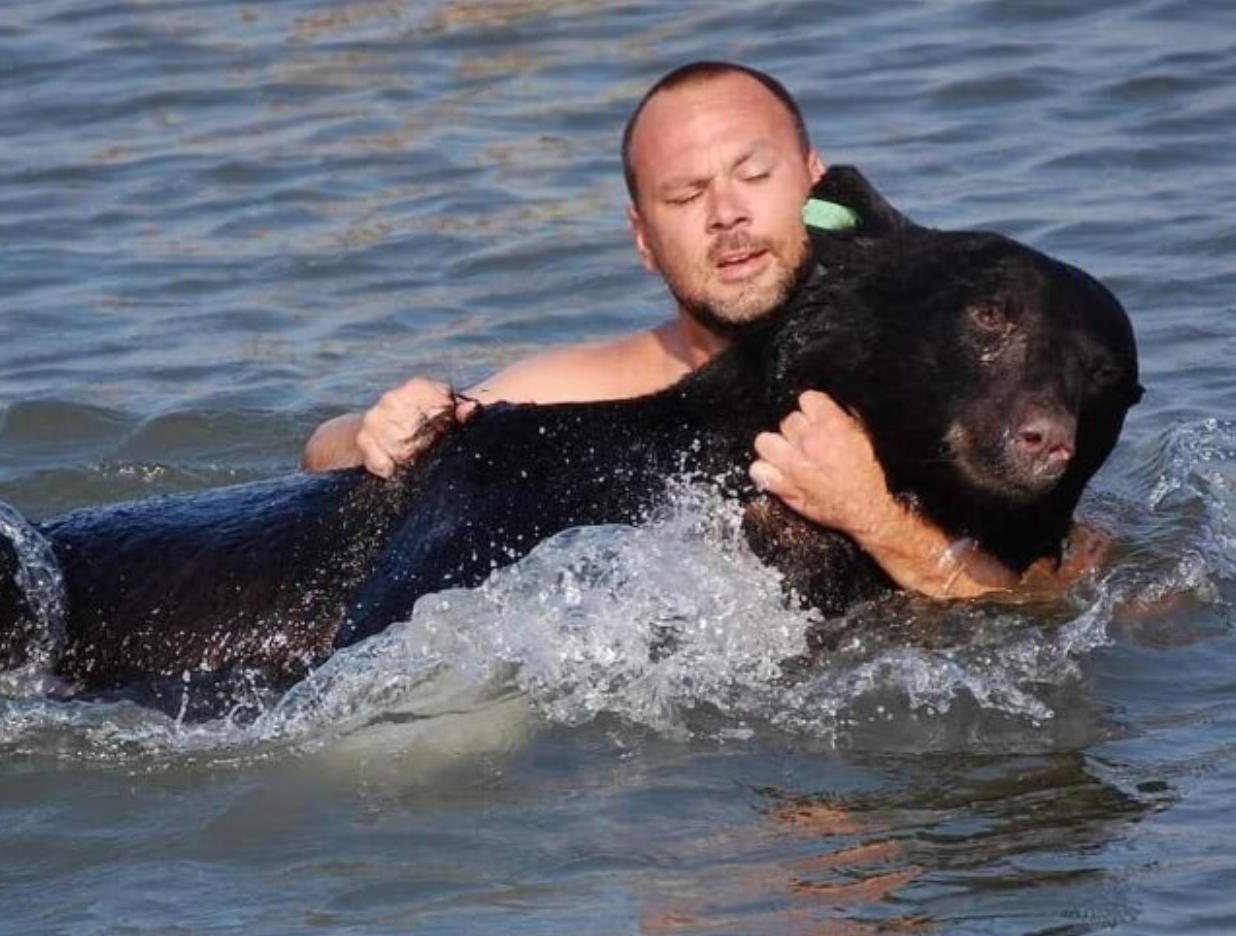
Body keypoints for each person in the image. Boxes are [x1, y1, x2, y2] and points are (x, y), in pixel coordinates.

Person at [302, 61, 1082, 599]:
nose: (727, 215)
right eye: (685, 196)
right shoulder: (592, 391)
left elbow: (1076, 609)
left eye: (753, 175)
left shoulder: (927, 381)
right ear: (643, 239)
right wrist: (372, 429)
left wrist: (873, 519)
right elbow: (327, 460)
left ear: (817, 182)